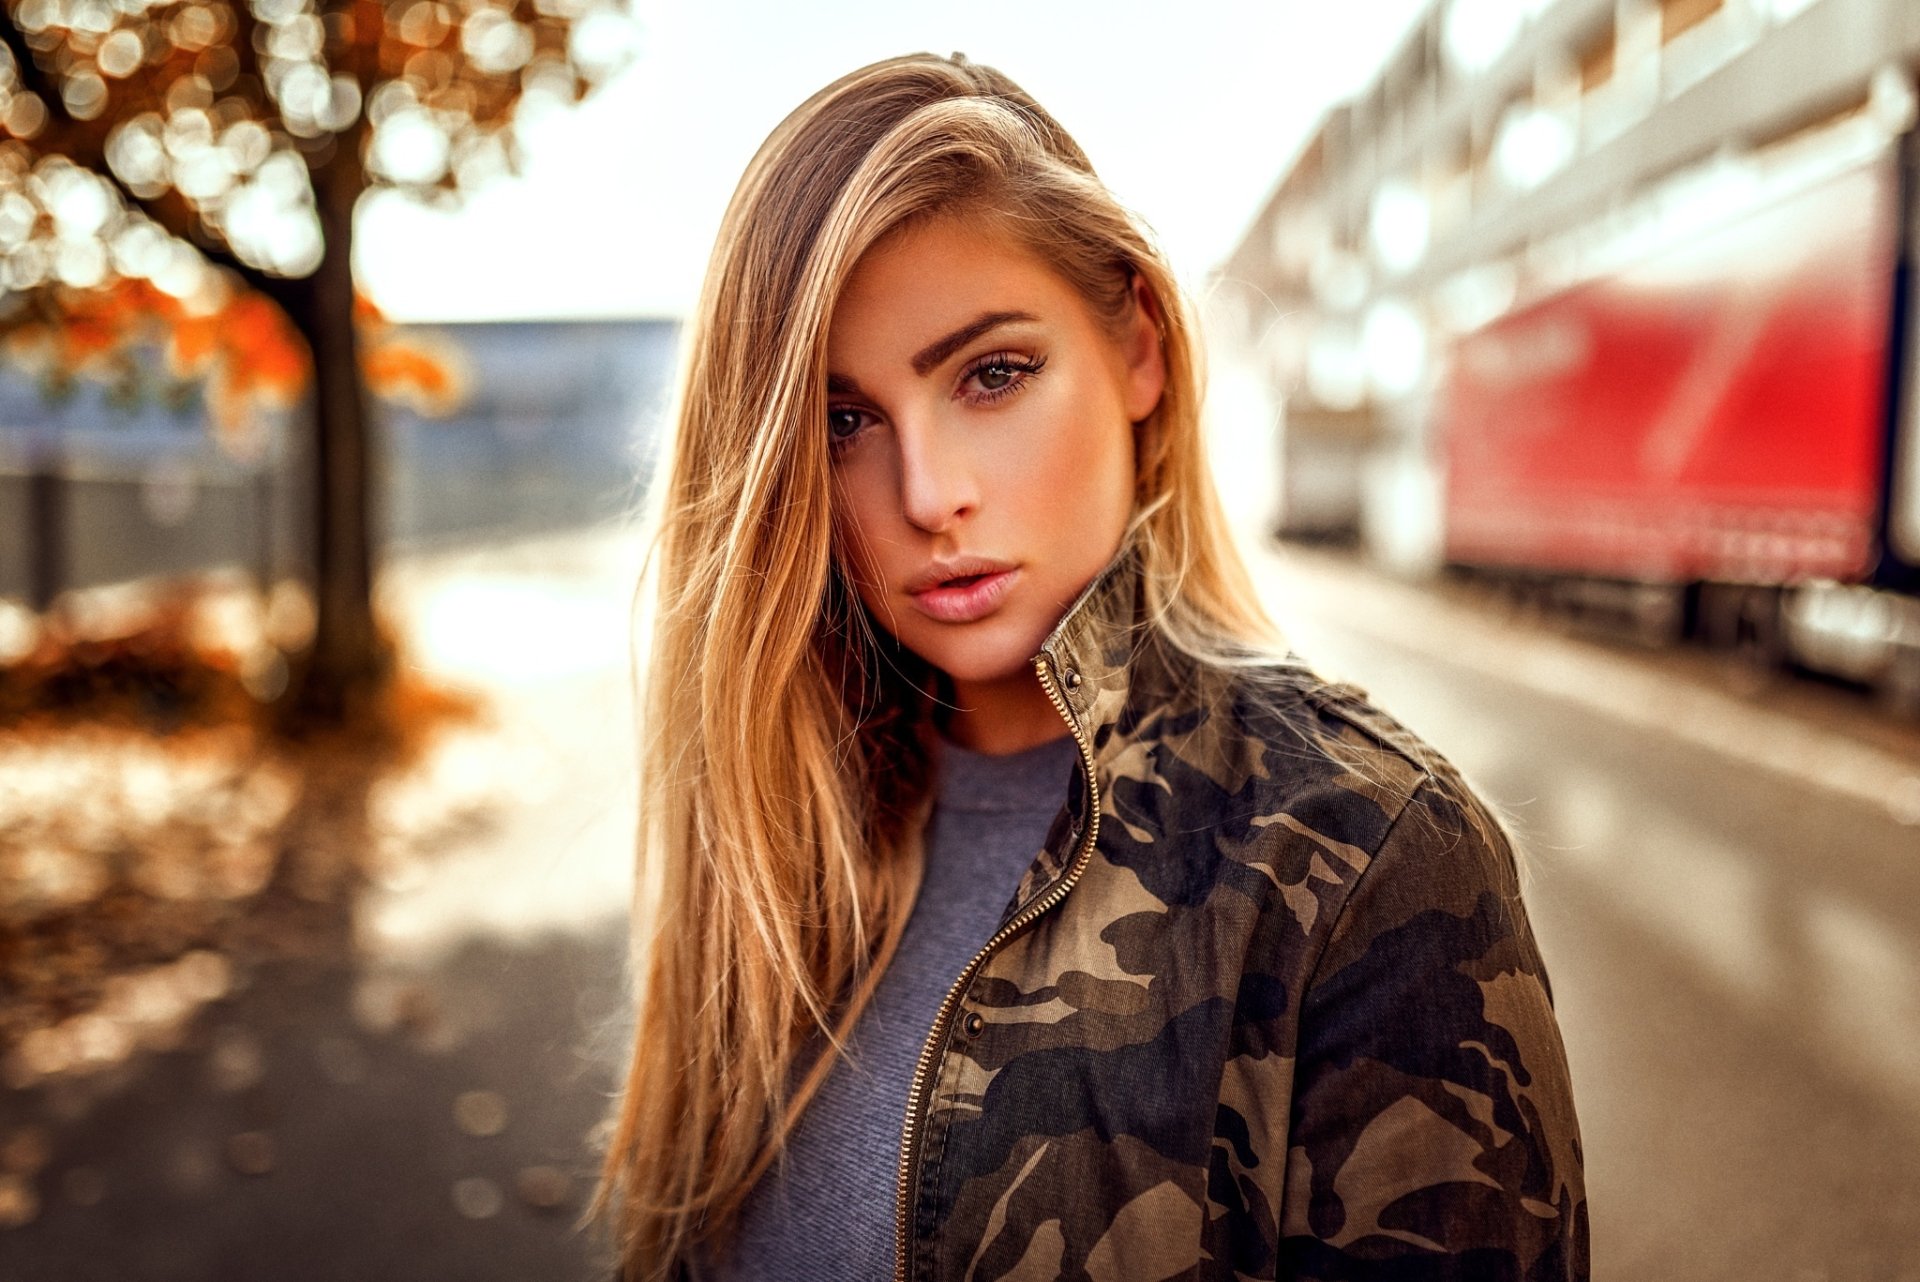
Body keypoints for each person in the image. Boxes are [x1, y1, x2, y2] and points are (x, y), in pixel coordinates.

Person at [591, 52, 1587, 1282]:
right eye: (843, 420)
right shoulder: (779, 831)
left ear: (1139, 349)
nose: (929, 492)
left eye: (992, 374)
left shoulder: (1358, 854)